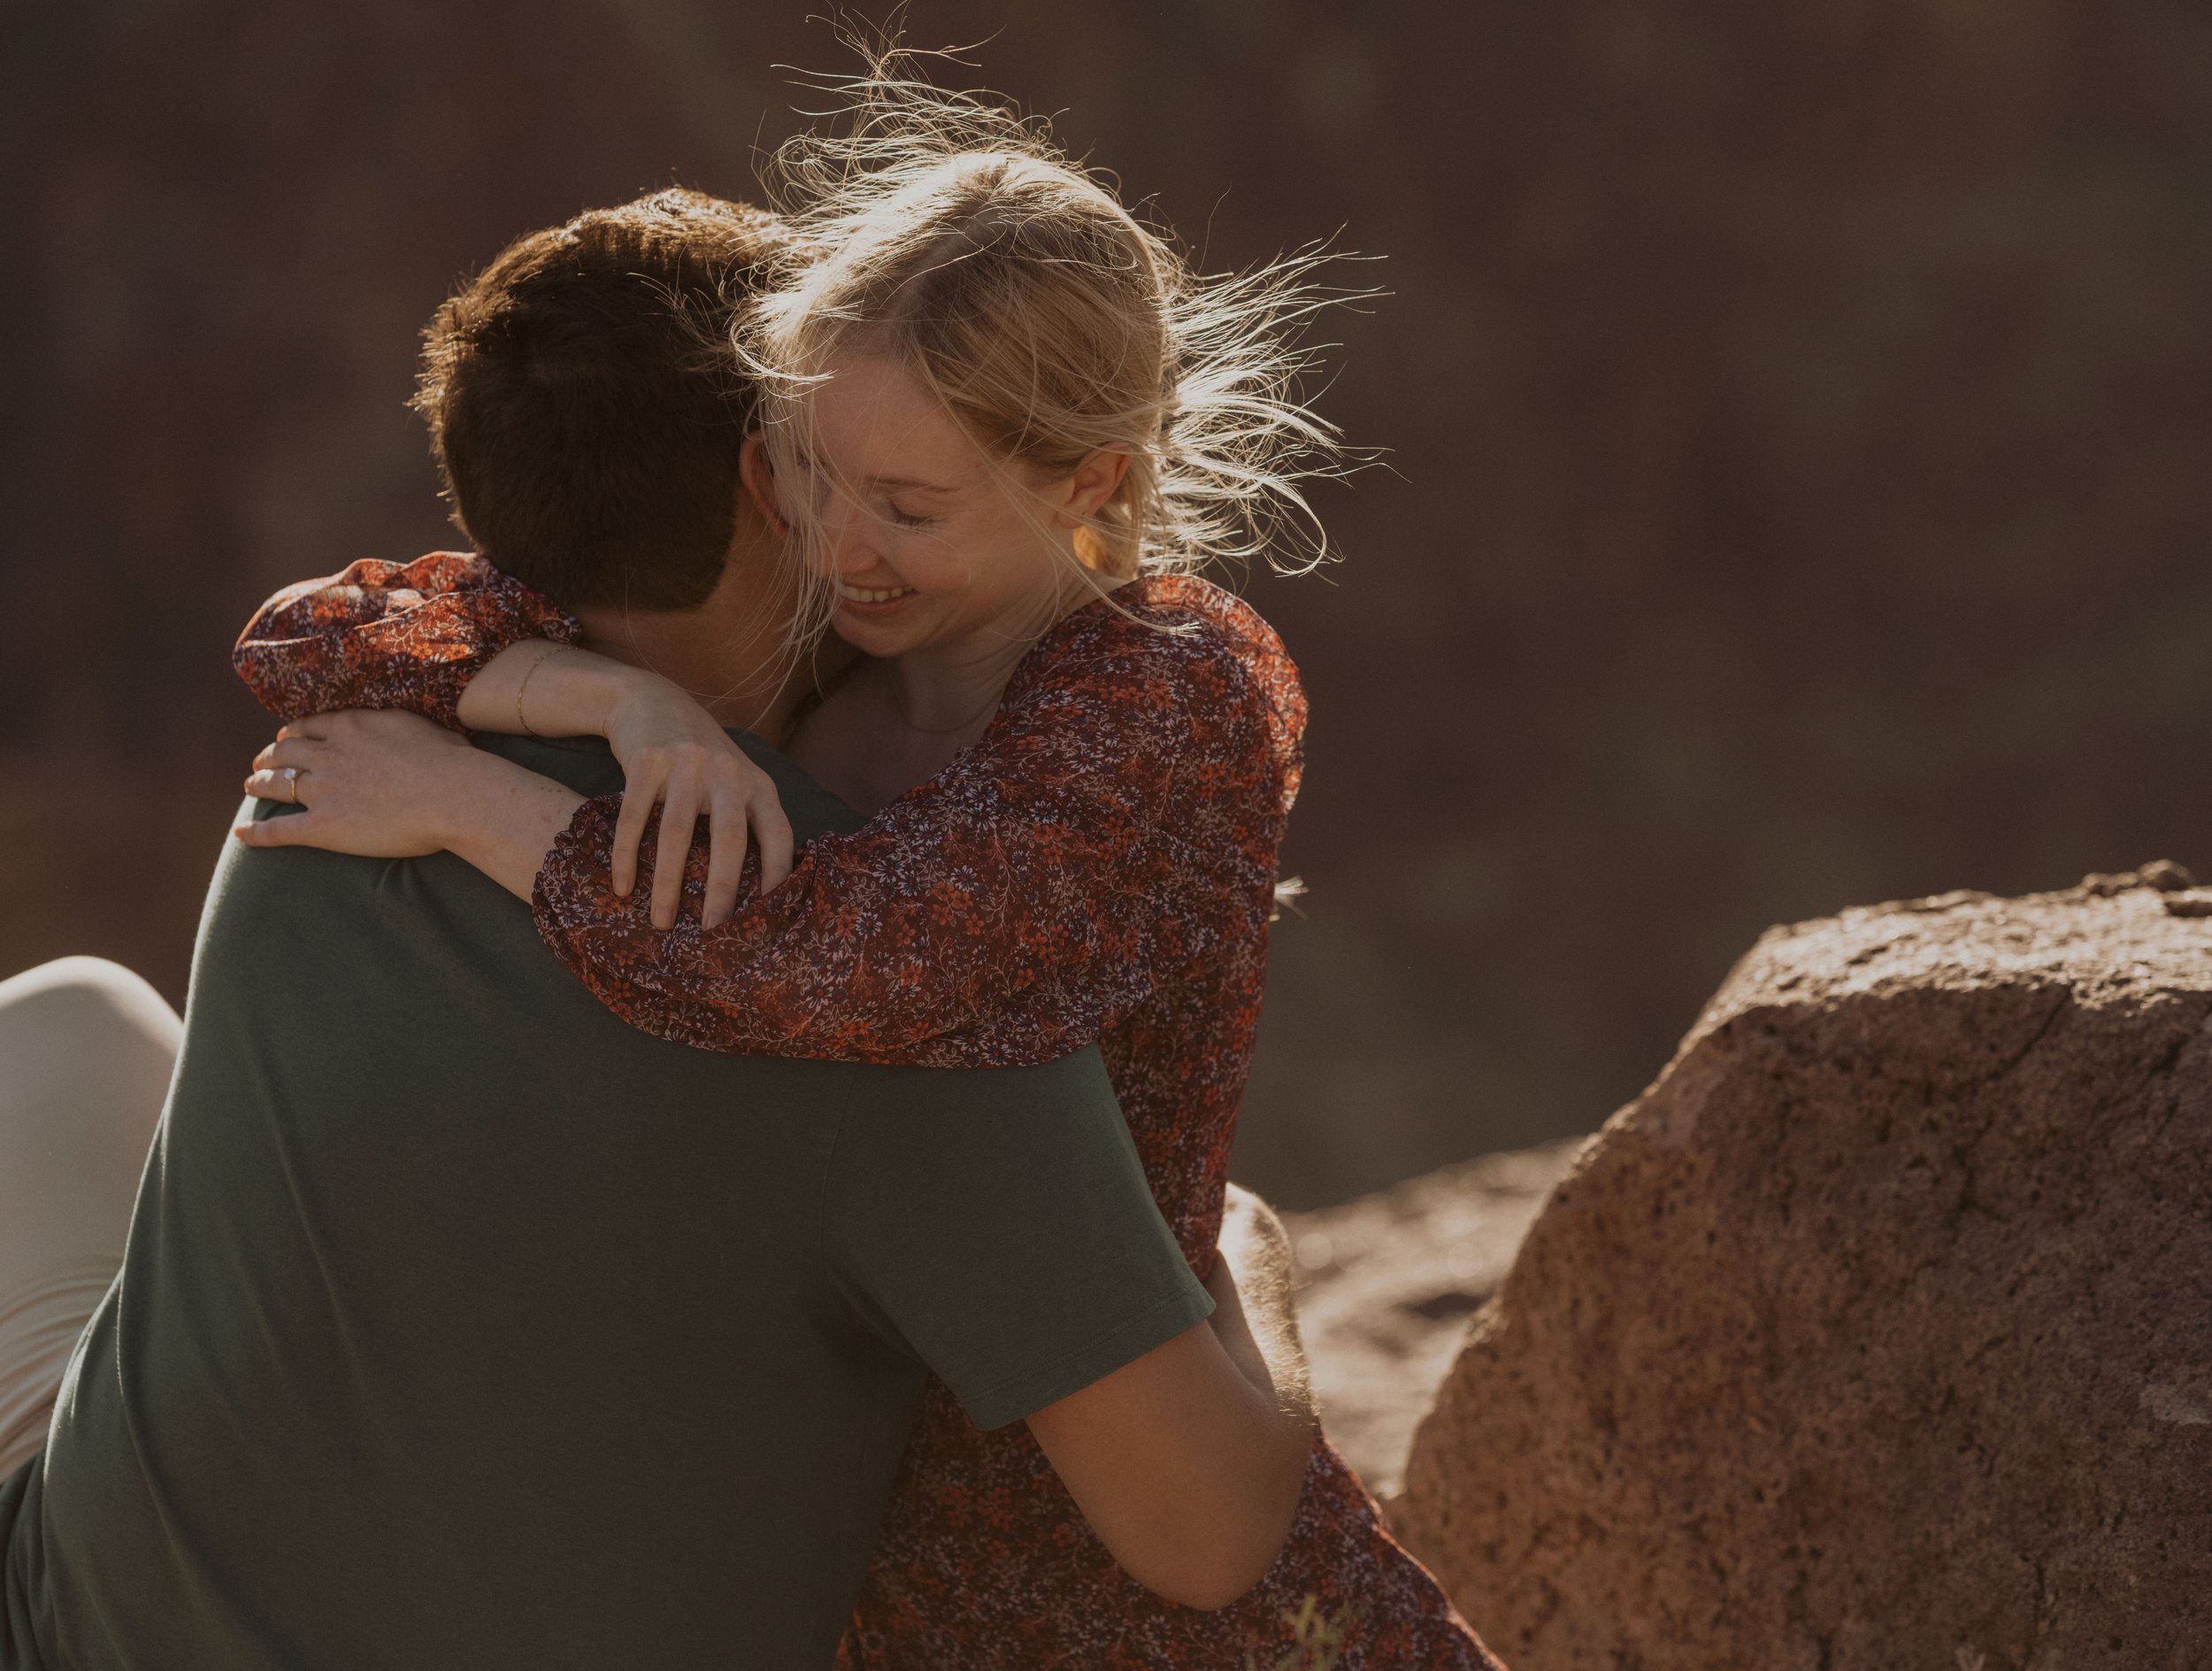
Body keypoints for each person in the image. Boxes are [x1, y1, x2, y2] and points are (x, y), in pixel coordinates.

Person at [227, 63, 1500, 1670]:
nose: (838, 544)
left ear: (1089, 481)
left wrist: (487, 807)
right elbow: (310, 635)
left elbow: (866, 966)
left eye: (908, 503)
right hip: (873, 1559)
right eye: (817, 475)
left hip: (1149, 1578)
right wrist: (596, 693)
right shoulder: (830, 647)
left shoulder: (1168, 692)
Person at [0, 190, 1319, 1671]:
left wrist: (588, 713)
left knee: (62, 1023)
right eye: (835, 478)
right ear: (775, 483)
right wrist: (1242, 1252)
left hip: (68, 1620)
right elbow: (1206, 1536)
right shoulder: (919, 1006)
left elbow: (311, 626)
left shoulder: (338, 778)